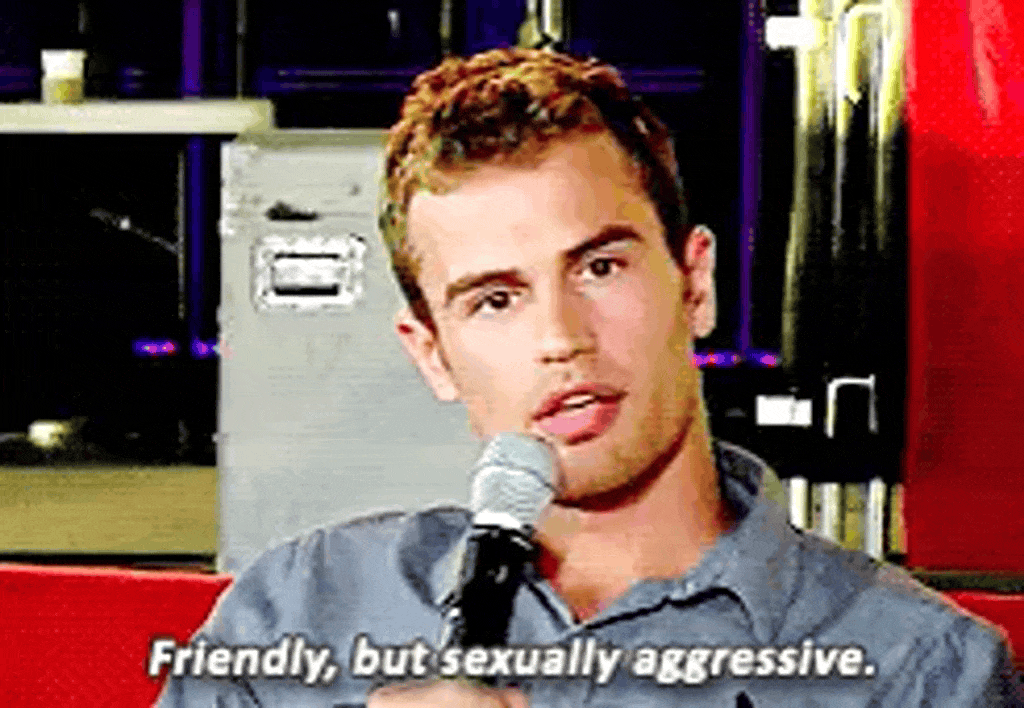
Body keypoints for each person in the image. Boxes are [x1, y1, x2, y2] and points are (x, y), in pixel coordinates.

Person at [157, 47, 1020, 707]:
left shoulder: (919, 670)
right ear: (431, 354)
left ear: (695, 284)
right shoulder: (299, 610)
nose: (560, 339)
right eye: (495, 300)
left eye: (599, 268)